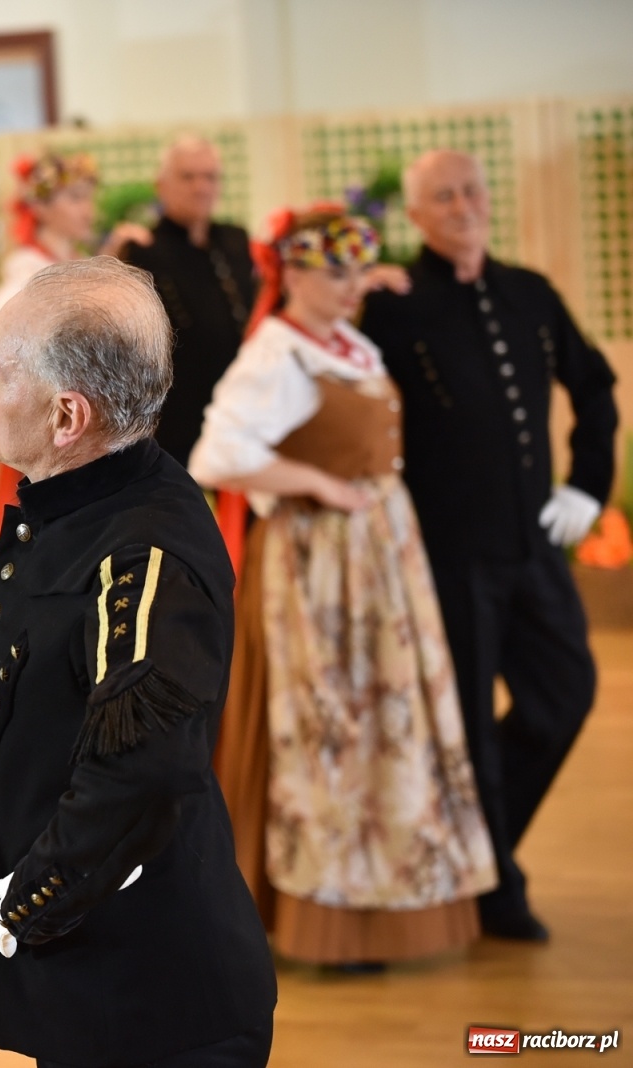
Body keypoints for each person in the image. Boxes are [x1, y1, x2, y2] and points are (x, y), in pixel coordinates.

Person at [0, 256, 275, 1067]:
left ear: (68, 416)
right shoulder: (79, 502)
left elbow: (143, 774)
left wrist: (33, 901)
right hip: (91, 978)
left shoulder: (144, 548)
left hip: (151, 1001)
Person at [189, 206, 497, 969]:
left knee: (384, 716)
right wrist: (317, 484)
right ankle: (327, 910)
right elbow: (216, 455)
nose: (351, 284)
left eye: (358, 269)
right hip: (319, 566)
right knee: (332, 719)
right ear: (291, 271)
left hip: (381, 555)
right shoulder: (275, 352)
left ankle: (387, 894)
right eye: (336, 271)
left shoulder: (349, 344)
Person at [359, 149, 619, 942]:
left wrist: (588, 484)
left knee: (563, 695)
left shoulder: (530, 292)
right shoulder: (396, 304)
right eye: (444, 196)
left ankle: (485, 849)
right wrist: (355, 288)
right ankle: (495, 886)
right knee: (468, 725)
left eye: (472, 190)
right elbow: (324, 366)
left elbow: (597, 384)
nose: (464, 204)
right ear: (418, 213)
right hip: (448, 555)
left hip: (535, 545)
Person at [0, 150, 150, 541]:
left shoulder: (73, 261)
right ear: (39, 207)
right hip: (48, 422)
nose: (87, 209)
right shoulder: (28, 270)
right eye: (74, 198)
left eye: (88, 196)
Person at [120, 135, 256, 468]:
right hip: (179, 419)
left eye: (209, 176)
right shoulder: (144, 250)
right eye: (188, 176)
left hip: (246, 410)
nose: (200, 187)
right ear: (161, 185)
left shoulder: (235, 240)